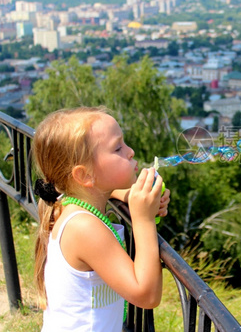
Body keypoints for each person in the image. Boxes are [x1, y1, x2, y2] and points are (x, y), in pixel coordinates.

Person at [32, 106, 170, 331]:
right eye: (117, 148)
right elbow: (147, 295)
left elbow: (101, 189)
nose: (130, 151)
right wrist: (142, 219)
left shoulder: (69, 202)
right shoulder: (84, 227)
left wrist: (131, 196)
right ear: (85, 175)